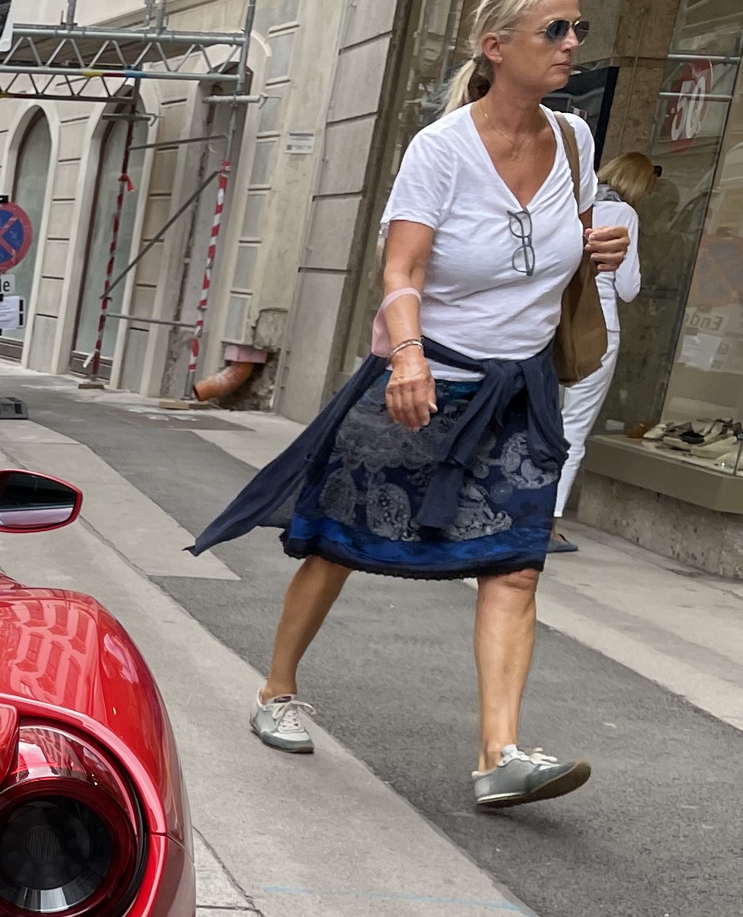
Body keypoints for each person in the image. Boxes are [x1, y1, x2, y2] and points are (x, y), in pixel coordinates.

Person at [189, 0, 628, 812]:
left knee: (517, 564)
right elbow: (403, 274)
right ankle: (276, 689)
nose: (573, 45)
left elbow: (563, 241)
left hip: (517, 392)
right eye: (555, 32)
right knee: (338, 538)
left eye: (578, 31)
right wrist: (410, 358)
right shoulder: (441, 150)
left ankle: (500, 753)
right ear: (496, 49)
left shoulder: (574, 138)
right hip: (424, 379)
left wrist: (602, 244)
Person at [551, 150, 654, 542]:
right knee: (573, 428)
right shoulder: (624, 214)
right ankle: (550, 522)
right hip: (598, 329)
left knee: (541, 417)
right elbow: (628, 288)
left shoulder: (576, 199)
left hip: (555, 323)